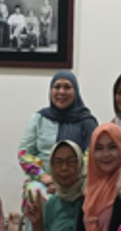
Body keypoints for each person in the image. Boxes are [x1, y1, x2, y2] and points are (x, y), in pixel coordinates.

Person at [18, 70, 98, 199]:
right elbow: (24, 154)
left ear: (76, 91)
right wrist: (45, 178)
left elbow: (92, 157)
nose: (61, 92)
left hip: (77, 183)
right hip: (43, 181)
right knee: (34, 192)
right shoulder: (39, 118)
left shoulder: (87, 122)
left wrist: (66, 181)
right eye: (57, 87)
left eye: (67, 87)